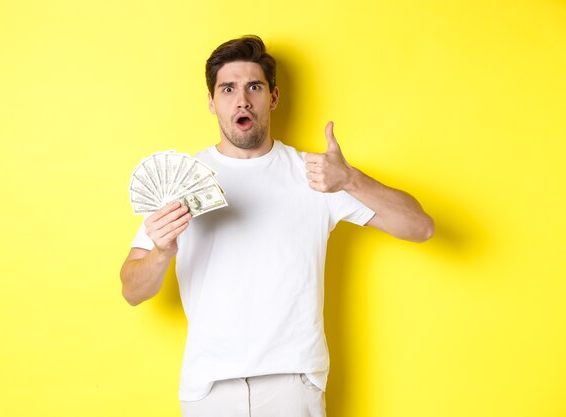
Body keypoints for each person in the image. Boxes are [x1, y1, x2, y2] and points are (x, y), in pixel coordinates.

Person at [120, 35, 434, 417]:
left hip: (292, 383)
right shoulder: (183, 180)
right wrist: (161, 252)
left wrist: (351, 179)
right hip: (209, 388)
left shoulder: (317, 175)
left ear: (273, 97)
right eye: (228, 89)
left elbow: (420, 227)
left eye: (254, 86)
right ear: (211, 101)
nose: (242, 100)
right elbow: (132, 290)